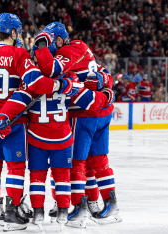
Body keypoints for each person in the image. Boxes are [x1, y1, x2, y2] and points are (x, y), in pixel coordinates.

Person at [0, 13, 80, 232]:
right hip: (12, 123)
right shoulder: (19, 54)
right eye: (18, 32)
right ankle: (12, 213)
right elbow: (36, 83)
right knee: (15, 168)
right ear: (13, 32)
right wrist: (60, 85)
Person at [32, 22, 120, 227]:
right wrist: (104, 81)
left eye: (51, 42)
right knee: (97, 161)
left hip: (84, 113)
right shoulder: (81, 47)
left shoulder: (68, 50)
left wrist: (40, 45)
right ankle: (108, 205)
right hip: (99, 110)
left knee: (74, 163)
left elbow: (51, 69)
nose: (50, 47)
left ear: (59, 40)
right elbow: (105, 74)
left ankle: (78, 208)